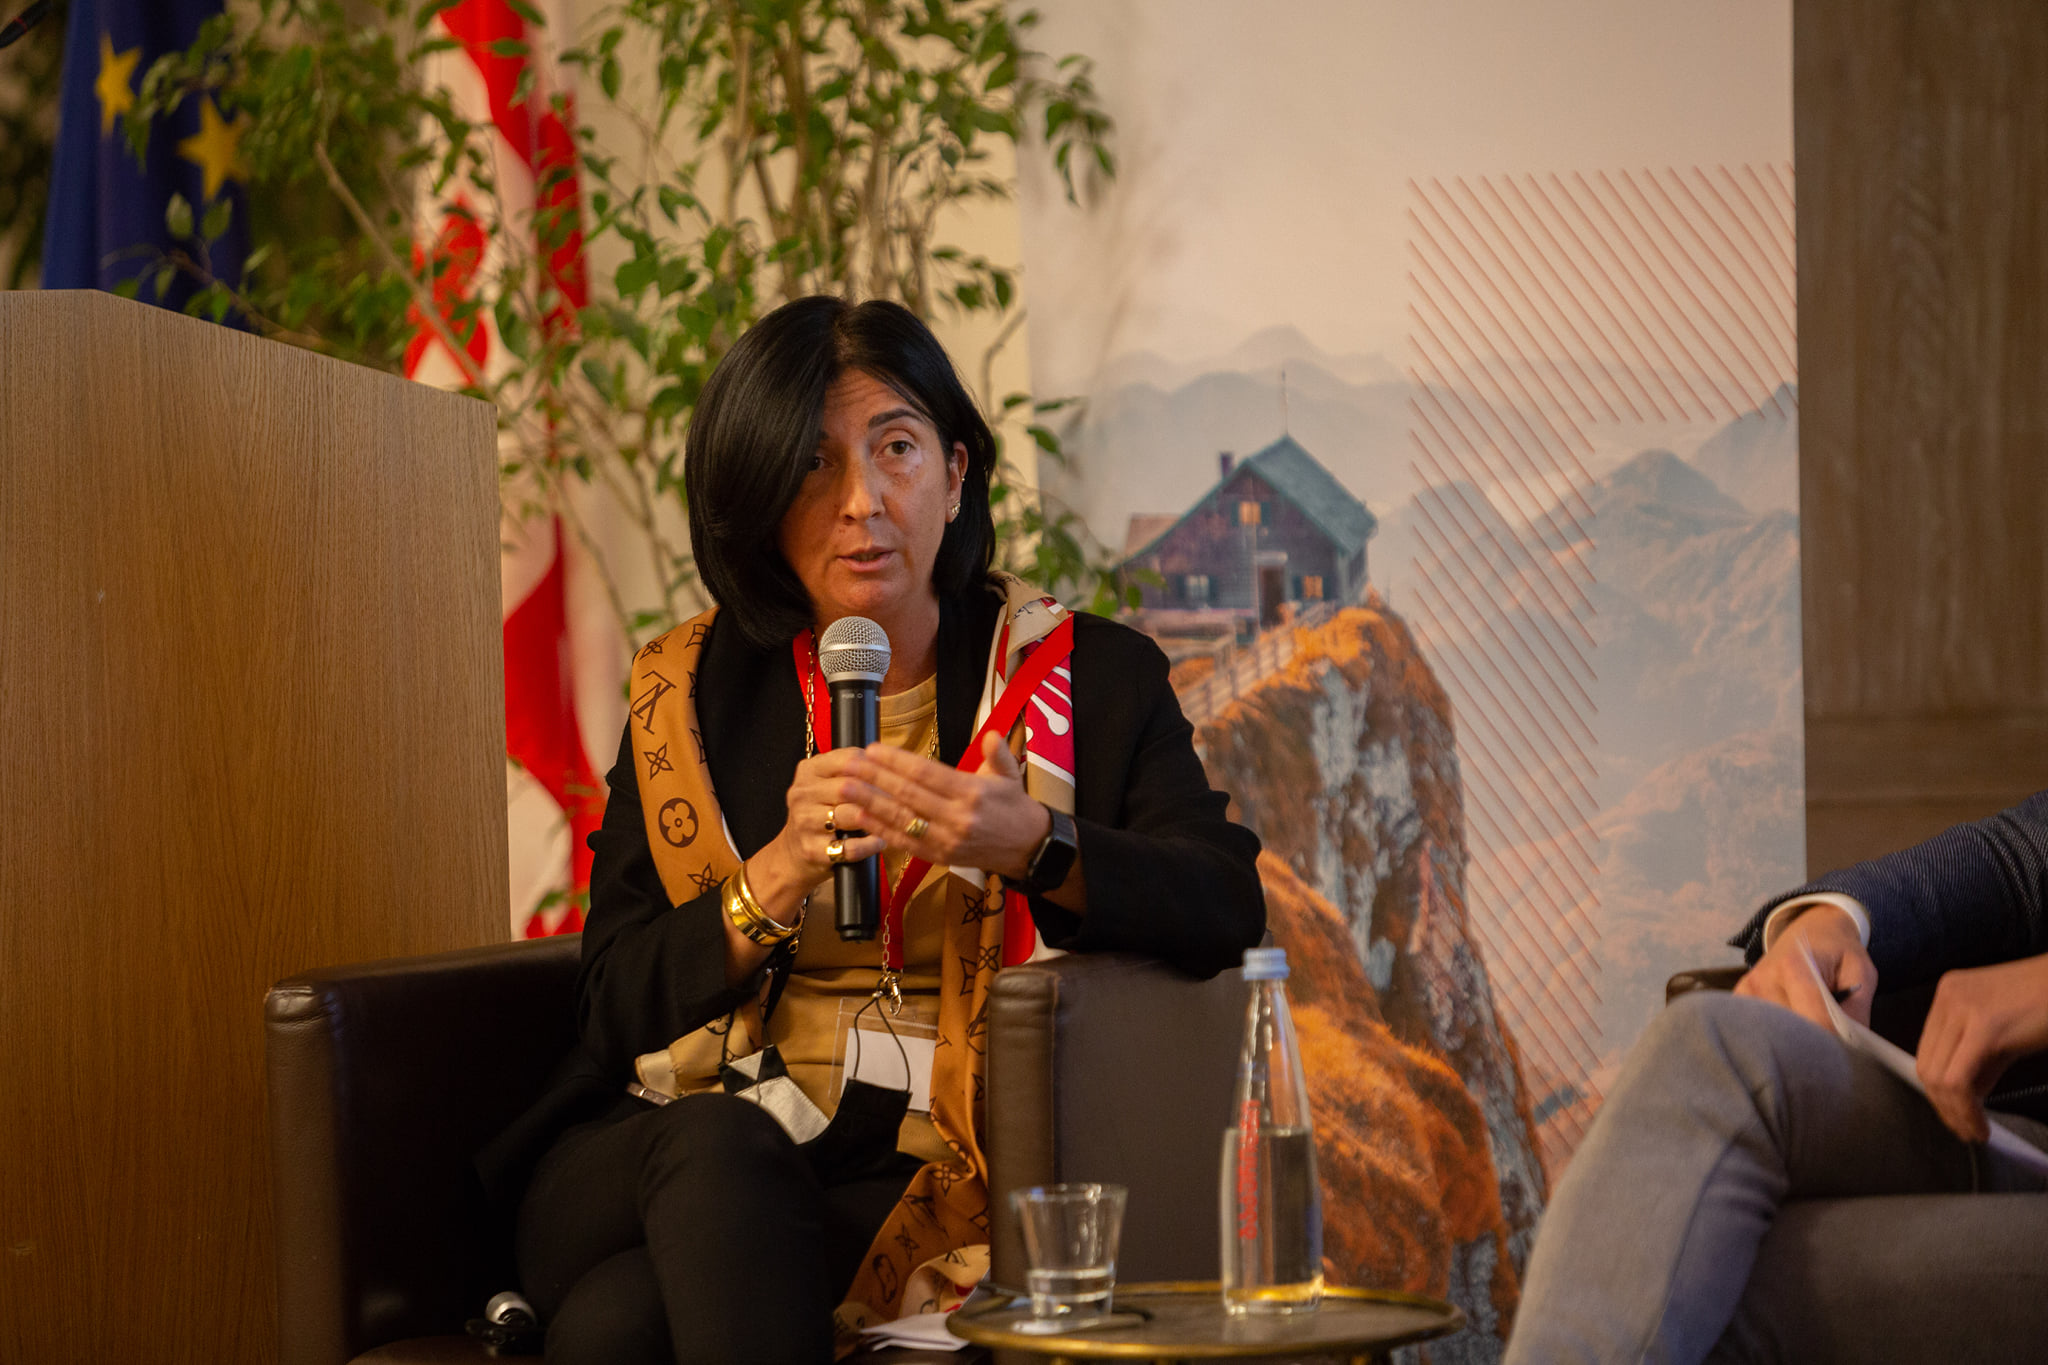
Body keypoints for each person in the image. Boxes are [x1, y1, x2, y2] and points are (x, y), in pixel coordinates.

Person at [483, 295, 1266, 1365]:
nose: (862, 501)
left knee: (616, 1328)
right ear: (759, 498)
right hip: (656, 1136)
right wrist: (773, 877)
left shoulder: (1089, 680)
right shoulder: (690, 694)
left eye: (895, 448)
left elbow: (1224, 903)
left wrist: (1035, 843)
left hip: (913, 1171)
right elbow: (613, 1004)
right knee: (719, 1150)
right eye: (812, 464)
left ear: (954, 473)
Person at [1504, 791, 2048, 1363]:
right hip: (2008, 1133)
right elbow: (2023, 852)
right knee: (1712, 1044)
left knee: (1712, 1283)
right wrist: (1837, 919)